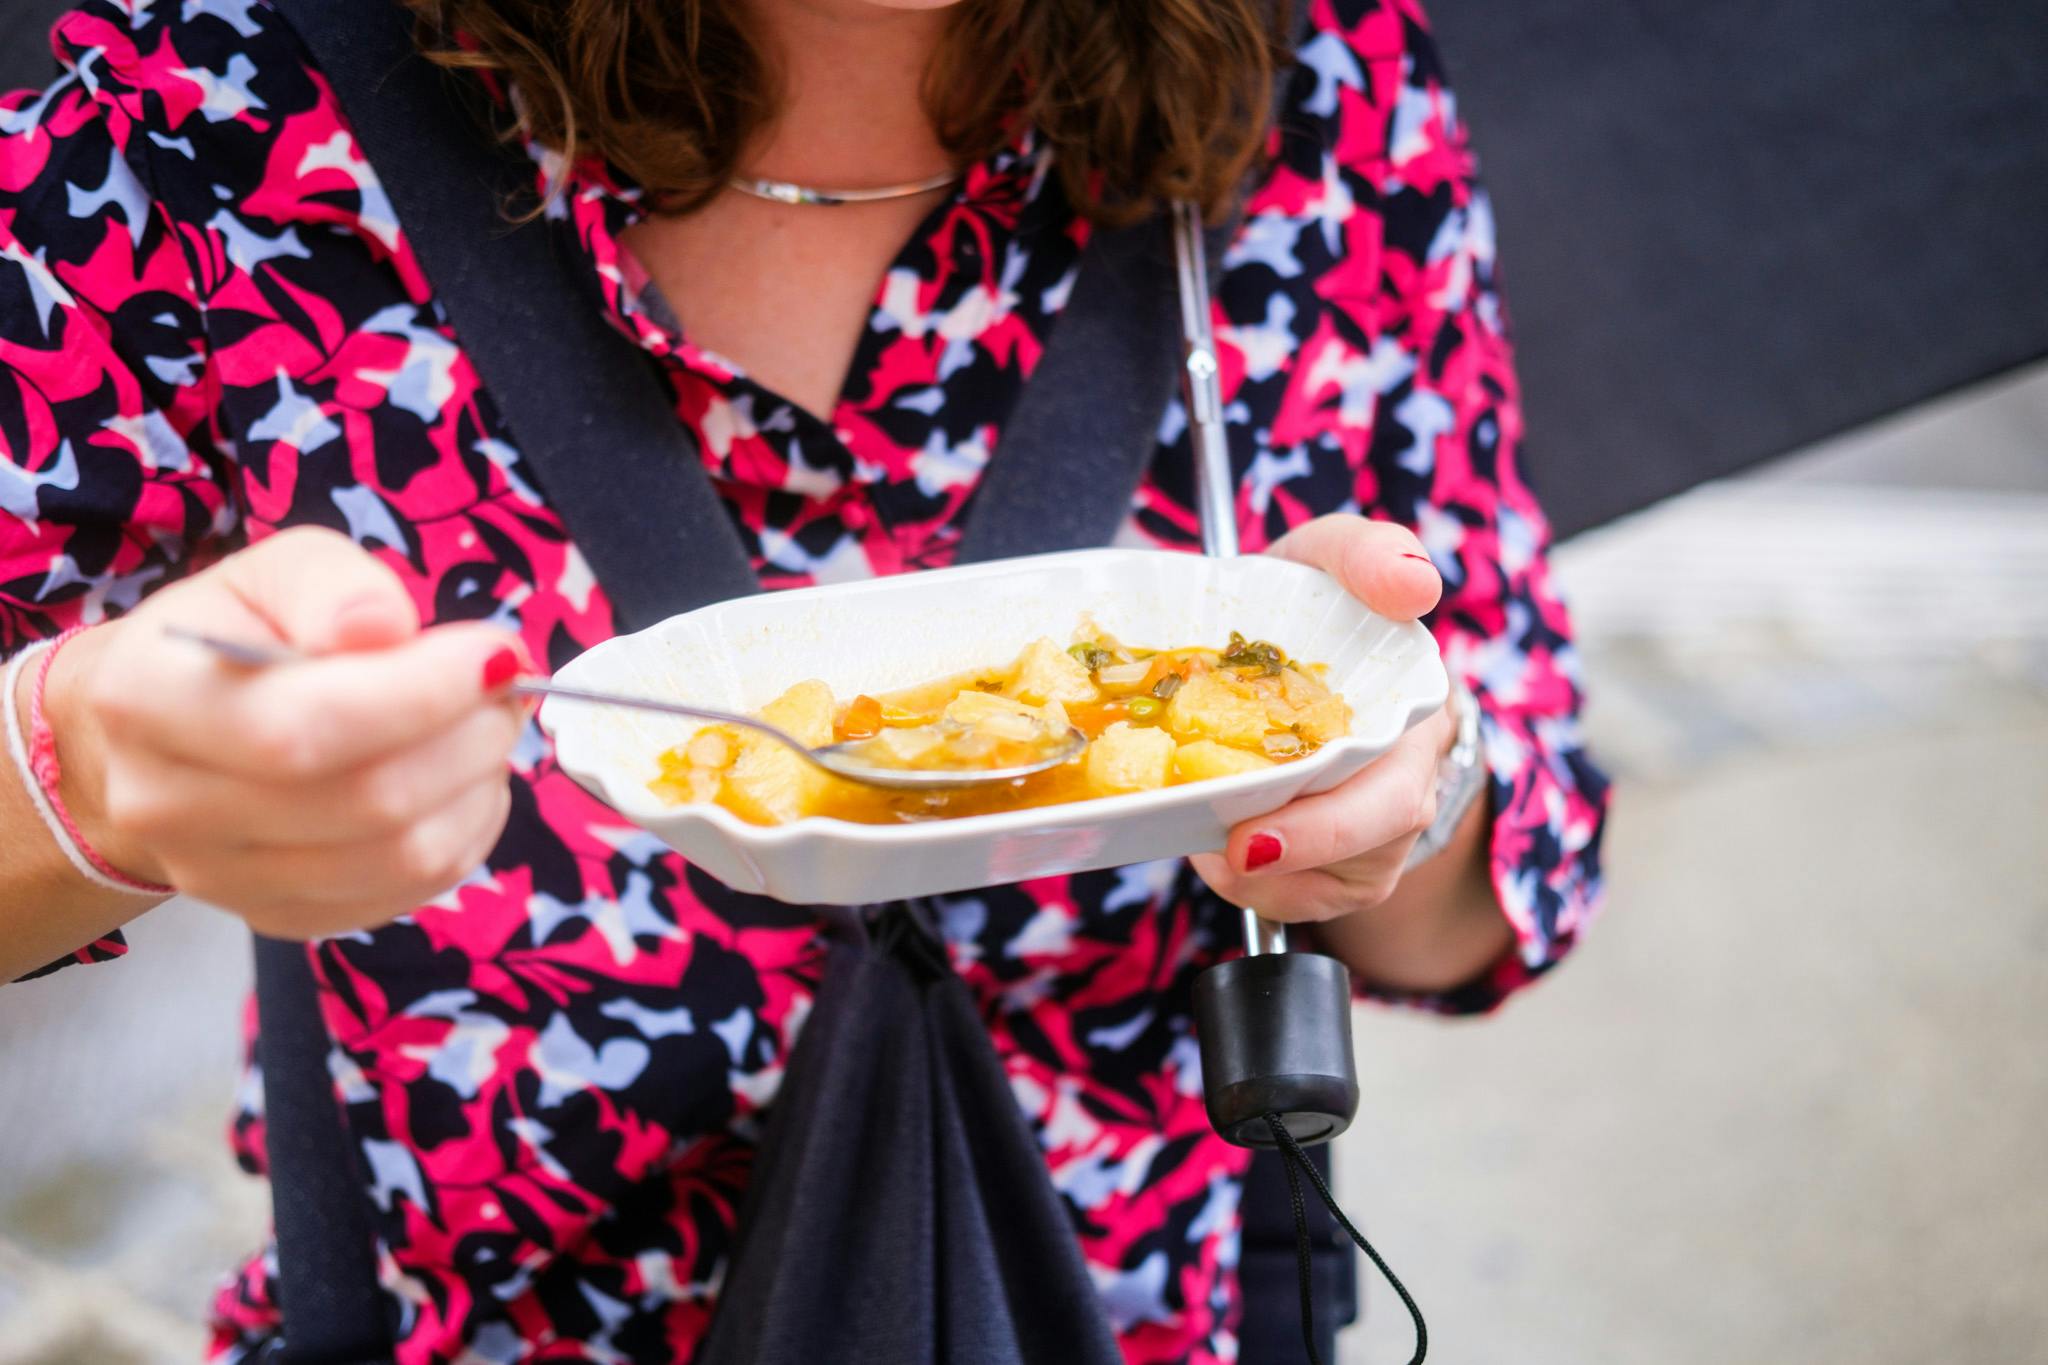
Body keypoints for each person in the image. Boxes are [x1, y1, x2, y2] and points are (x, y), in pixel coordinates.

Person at [0, 0, 1609, 1359]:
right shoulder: (213, 106)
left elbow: (1485, 908)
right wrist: (95, 766)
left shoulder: (1317, 71)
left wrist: (1393, 775)